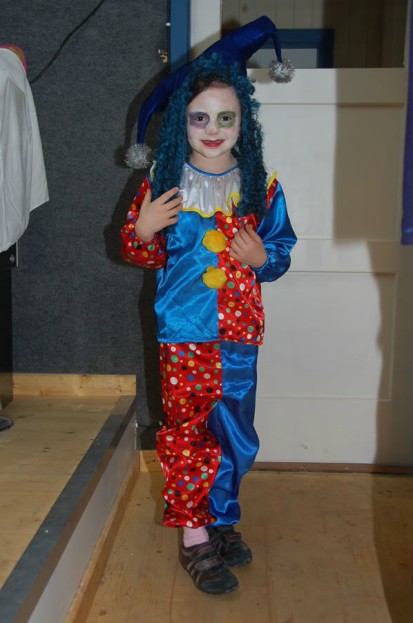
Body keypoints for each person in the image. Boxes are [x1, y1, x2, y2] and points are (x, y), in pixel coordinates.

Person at [121, 17, 297, 595]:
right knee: (187, 432)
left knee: (236, 433)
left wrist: (261, 257)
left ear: (244, 121)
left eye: (226, 118)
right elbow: (139, 251)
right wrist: (144, 230)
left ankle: (221, 516)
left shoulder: (260, 185)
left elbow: (280, 251)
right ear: (183, 121)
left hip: (240, 334)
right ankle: (194, 534)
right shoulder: (164, 182)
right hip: (184, 333)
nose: (213, 129)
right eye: (200, 118)